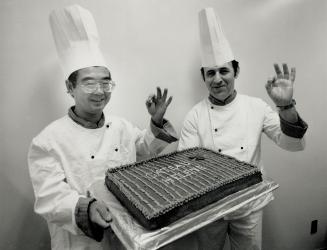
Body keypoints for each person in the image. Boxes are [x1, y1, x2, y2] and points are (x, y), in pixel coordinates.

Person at [28, 5, 177, 250]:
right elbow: (49, 198)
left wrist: (156, 121)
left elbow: (144, 149)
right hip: (81, 242)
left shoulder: (120, 126)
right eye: (89, 83)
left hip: (126, 235)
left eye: (105, 83)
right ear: (70, 87)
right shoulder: (47, 141)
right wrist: (86, 207)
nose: (99, 92)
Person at [177, 7, 308, 250]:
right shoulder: (195, 115)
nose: (217, 79)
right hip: (209, 209)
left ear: (236, 71)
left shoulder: (255, 107)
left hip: (248, 206)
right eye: (210, 73)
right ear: (203, 77)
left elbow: (292, 144)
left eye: (224, 71)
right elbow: (186, 165)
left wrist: (286, 106)